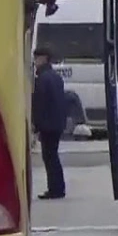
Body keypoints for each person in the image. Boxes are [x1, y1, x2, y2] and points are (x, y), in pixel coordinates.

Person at [32, 46, 68, 200]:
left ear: (44, 58)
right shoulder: (55, 77)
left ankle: (55, 189)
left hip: (48, 124)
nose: (35, 61)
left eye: (37, 58)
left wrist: (36, 125)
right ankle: (58, 187)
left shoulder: (42, 79)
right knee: (53, 156)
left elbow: (39, 104)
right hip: (57, 123)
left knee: (49, 157)